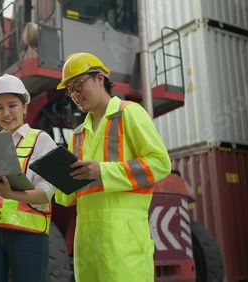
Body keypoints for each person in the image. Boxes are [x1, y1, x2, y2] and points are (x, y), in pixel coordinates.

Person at [55, 52, 171, 281]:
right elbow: (66, 197)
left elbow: (160, 163)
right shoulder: (78, 135)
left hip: (123, 237)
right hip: (86, 240)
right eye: (70, 90)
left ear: (100, 79)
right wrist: (55, 179)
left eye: (79, 84)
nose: (75, 94)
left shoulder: (130, 113)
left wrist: (102, 171)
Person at [0, 74, 58, 282]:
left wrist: (11, 193)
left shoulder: (41, 140)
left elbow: (48, 192)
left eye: (12, 106)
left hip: (28, 235)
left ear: (25, 107)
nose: (5, 113)